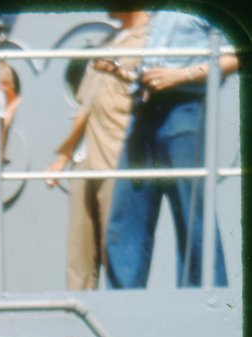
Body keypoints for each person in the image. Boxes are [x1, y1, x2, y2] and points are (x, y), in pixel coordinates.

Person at [104, 9, 235, 290]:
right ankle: (122, 301)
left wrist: (182, 75)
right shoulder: (159, 12)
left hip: (183, 109)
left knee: (192, 213)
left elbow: (236, 56)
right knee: (126, 214)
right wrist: (121, 72)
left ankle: (203, 299)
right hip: (145, 110)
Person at [45, 11, 148, 291]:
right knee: (78, 255)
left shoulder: (150, 42)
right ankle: (77, 313)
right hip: (85, 160)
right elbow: (85, 108)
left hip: (117, 159)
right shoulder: (107, 42)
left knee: (116, 250)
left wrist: (120, 73)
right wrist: (63, 157)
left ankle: (121, 315)